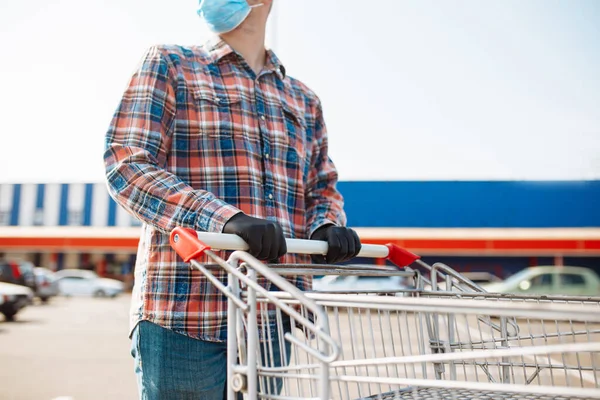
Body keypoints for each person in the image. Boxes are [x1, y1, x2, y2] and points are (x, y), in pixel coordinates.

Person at [104, 0, 361, 398]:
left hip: (272, 317)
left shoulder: (304, 101)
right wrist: (223, 219)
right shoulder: (172, 64)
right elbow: (127, 165)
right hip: (184, 314)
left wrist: (326, 224)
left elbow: (321, 186)